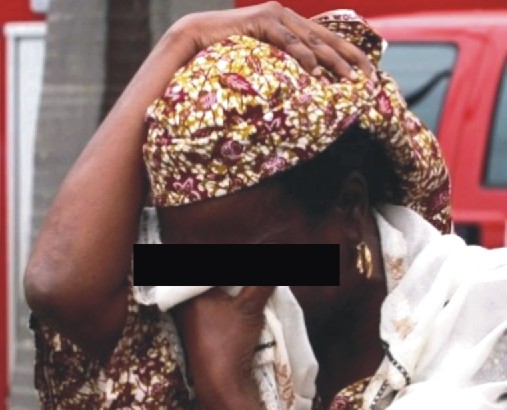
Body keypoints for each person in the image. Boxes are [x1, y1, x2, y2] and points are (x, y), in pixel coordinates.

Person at [24, 4, 507, 410]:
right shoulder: (198, 297)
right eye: (193, 263)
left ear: (349, 207)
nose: (216, 285)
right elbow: (58, 285)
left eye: (251, 259)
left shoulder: (483, 322)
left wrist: (230, 395)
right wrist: (182, 39)